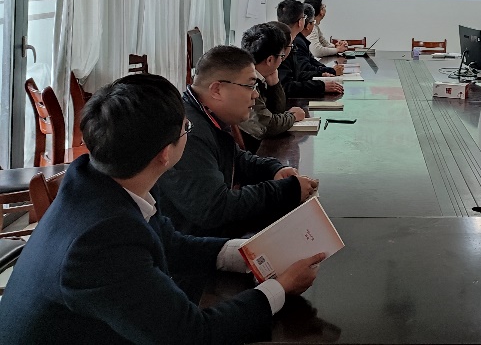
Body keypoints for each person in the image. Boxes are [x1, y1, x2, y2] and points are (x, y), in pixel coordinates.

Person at [0, 74, 325, 345]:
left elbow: (169, 242)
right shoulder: (100, 242)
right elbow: (192, 335)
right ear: (164, 154)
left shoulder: (100, 176)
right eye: (186, 128)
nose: (189, 133)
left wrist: (249, 253)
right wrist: (279, 288)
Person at [157, 45, 319, 237]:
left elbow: (237, 158)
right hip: (194, 244)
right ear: (217, 90)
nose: (255, 94)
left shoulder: (207, 114)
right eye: (250, 85)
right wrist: (285, 191)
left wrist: (273, 169)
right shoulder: (189, 131)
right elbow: (215, 208)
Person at [239, 22, 307, 151]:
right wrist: (292, 117)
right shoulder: (247, 82)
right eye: (281, 56)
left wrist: (274, 85)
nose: (282, 60)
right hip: (251, 151)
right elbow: (267, 126)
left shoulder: (260, 76)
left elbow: (276, 112)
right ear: (270, 60)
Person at [276, 0, 343, 97]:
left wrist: (321, 74)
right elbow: (286, 86)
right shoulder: (285, 45)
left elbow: (298, 74)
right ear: (300, 22)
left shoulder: (288, 40)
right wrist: (320, 86)